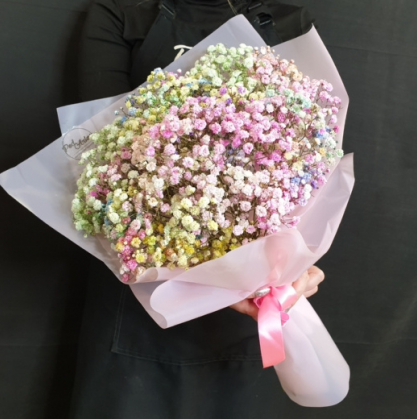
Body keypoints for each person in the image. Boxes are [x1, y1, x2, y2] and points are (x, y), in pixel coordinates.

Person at [70, 1, 323, 418]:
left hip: (253, 304)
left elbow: (312, 151)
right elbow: (96, 157)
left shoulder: (285, 18)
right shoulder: (123, 13)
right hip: (142, 294)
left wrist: (299, 262)